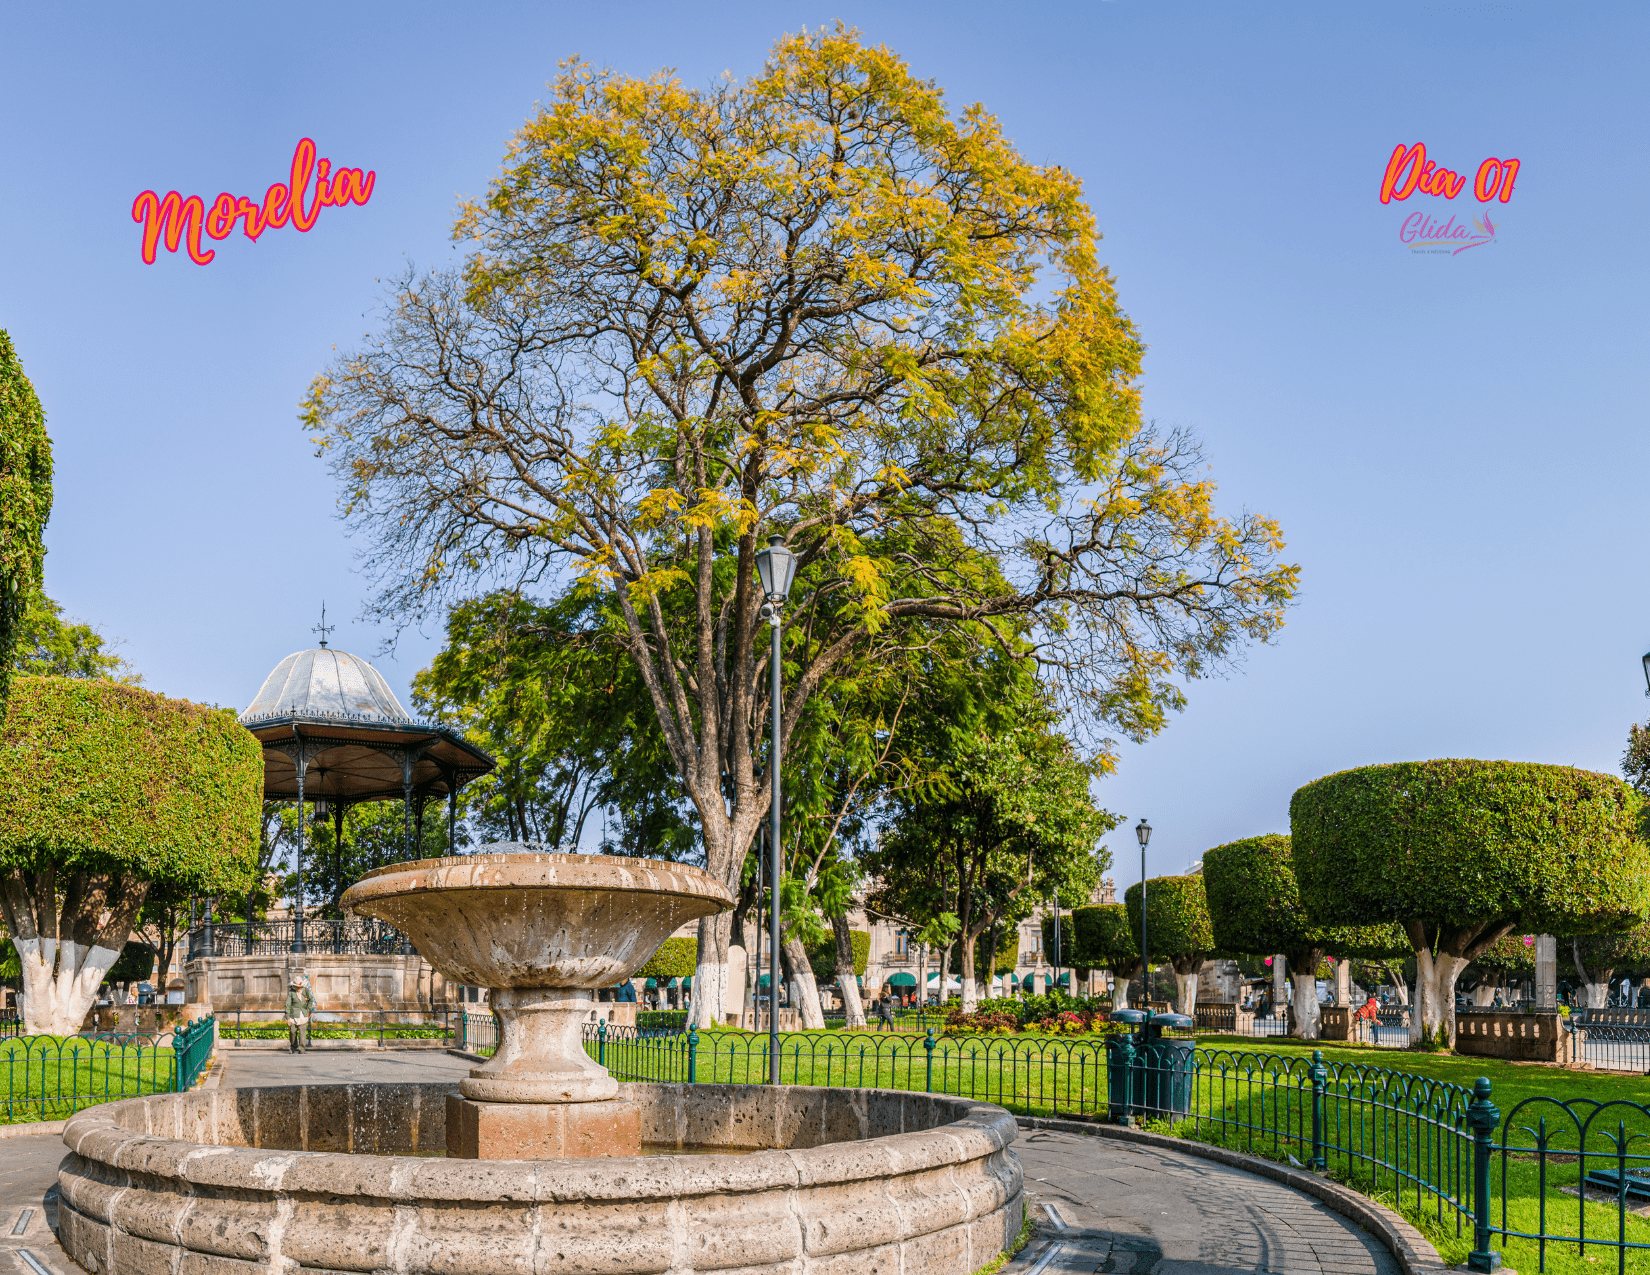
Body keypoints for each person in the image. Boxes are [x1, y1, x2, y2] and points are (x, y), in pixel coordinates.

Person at [284, 975, 313, 1053]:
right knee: (292, 1032)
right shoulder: (291, 992)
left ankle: (301, 1048)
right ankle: (293, 1046)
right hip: (293, 1014)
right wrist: (287, 1017)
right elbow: (288, 1004)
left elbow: (311, 1000)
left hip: (303, 1014)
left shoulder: (306, 990)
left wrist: (309, 1010)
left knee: (302, 1033)